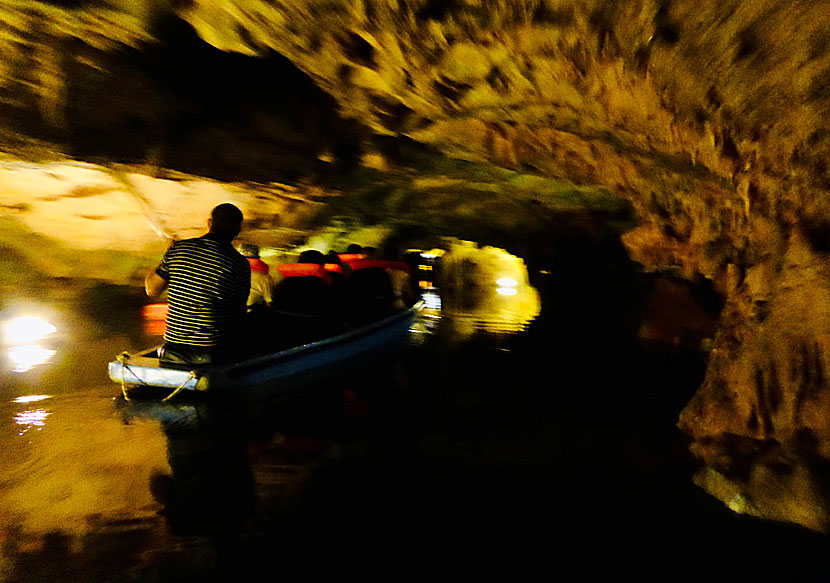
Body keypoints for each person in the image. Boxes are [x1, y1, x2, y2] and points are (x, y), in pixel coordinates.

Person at [145, 203, 250, 365]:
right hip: (211, 351)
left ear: (209, 223)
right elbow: (239, 313)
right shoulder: (239, 264)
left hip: (173, 348)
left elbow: (152, 290)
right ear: (237, 230)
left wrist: (167, 254)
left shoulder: (178, 250)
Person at [239, 243, 272, 310]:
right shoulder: (265, 277)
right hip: (251, 313)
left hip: (231, 312)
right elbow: (270, 302)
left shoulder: (232, 271)